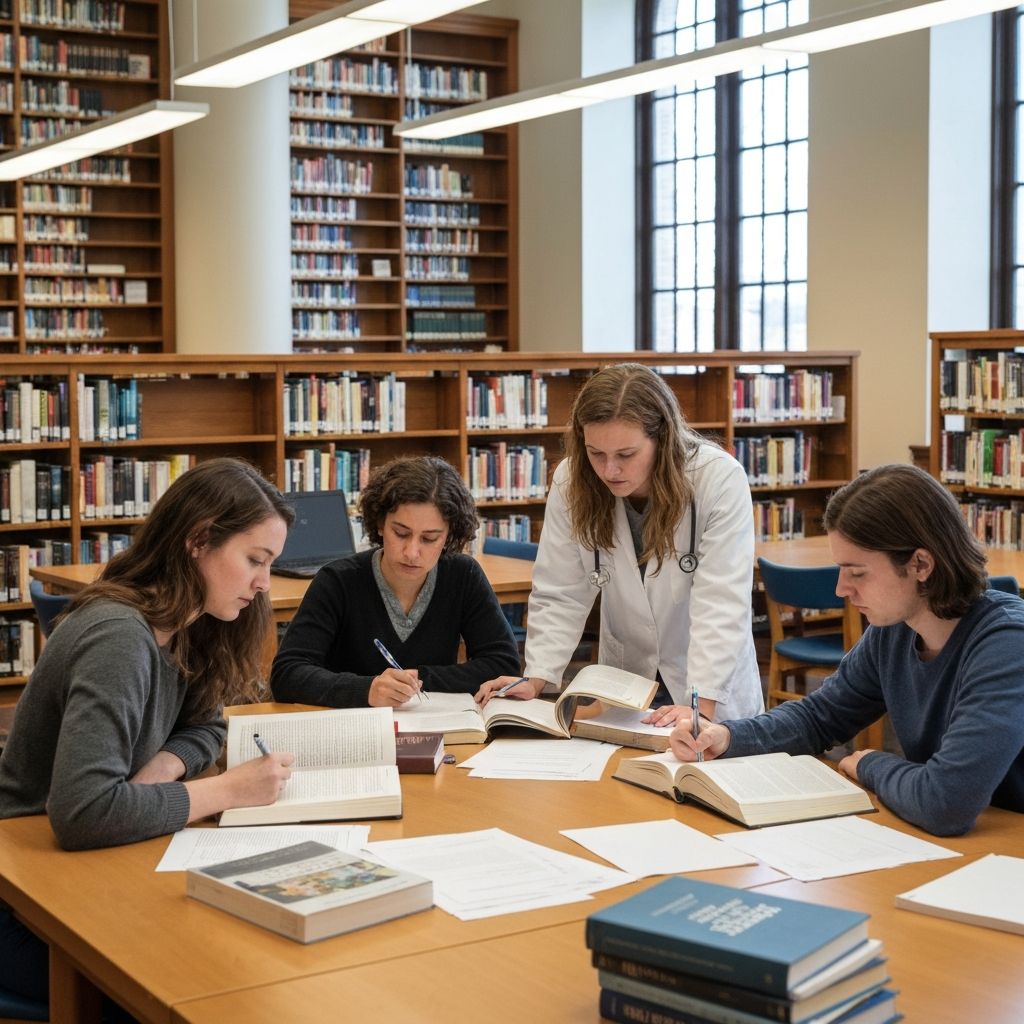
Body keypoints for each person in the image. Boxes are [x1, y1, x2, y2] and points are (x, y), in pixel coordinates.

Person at [0, 457, 297, 1009]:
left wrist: (163, 768)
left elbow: (206, 723)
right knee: (211, 980)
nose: (262, 584)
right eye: (255, 560)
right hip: (27, 899)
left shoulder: (190, 622)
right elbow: (84, 814)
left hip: (91, 874)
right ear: (198, 541)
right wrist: (229, 790)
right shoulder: (119, 636)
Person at [669, 463, 1024, 837]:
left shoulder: (1008, 644)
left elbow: (945, 803)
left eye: (857, 573)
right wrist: (726, 737)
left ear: (920, 564)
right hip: (971, 840)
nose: (841, 590)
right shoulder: (896, 630)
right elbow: (819, 718)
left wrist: (871, 763)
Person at [476, 362, 764, 724]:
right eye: (596, 453)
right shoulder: (573, 480)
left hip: (707, 688)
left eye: (626, 455)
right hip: (627, 684)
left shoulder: (717, 479)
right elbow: (559, 590)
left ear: (663, 438)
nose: (609, 470)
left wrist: (701, 709)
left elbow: (721, 604)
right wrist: (536, 678)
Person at [270, 455, 520, 707]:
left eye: (429, 538)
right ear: (380, 523)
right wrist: (366, 689)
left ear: (449, 536)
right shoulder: (338, 581)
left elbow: (504, 664)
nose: (412, 552)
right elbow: (287, 674)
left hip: (435, 727)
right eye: (401, 533)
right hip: (354, 729)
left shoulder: (462, 576)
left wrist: (420, 679)